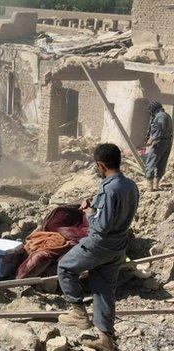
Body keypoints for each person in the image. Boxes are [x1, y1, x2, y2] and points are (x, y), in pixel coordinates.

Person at [57, 143, 139, 351]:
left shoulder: (108, 188)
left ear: (101, 165)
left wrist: (89, 212)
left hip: (100, 243)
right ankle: (106, 339)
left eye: (97, 166)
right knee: (103, 290)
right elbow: (116, 215)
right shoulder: (131, 186)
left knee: (65, 267)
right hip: (119, 246)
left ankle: (78, 313)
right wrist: (95, 207)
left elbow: (101, 226)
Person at [144, 101, 172, 191]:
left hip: (159, 142)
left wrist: (151, 140)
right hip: (168, 141)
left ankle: (150, 187)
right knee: (161, 163)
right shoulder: (167, 115)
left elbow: (158, 129)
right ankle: (156, 185)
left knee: (150, 162)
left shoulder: (160, 116)